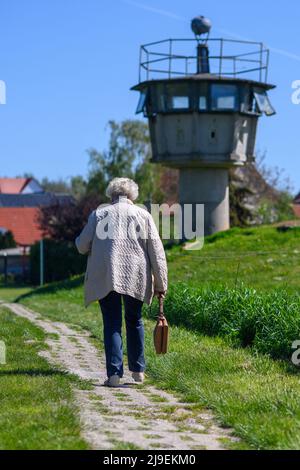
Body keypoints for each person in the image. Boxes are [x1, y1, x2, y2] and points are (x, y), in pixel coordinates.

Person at [75, 177, 168, 387]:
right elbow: (157, 253)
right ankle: (138, 371)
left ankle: (114, 375)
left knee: (112, 323)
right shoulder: (143, 215)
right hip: (136, 275)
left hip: (107, 275)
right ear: (132, 196)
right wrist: (161, 284)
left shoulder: (99, 214)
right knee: (134, 320)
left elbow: (81, 246)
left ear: (111, 195)